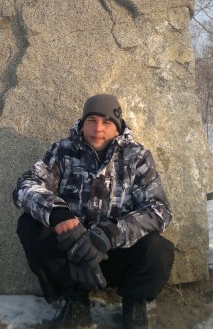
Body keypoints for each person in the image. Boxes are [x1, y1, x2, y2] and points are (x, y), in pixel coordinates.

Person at [13, 94, 174, 328]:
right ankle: (76, 301)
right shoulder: (63, 151)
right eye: (92, 120)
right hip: (72, 254)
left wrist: (111, 233)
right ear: (83, 121)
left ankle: (135, 303)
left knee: (158, 249)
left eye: (106, 122)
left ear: (117, 128)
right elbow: (25, 185)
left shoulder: (136, 157)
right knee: (29, 225)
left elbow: (160, 209)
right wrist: (59, 215)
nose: (98, 129)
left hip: (115, 253)